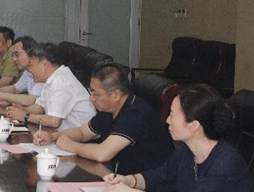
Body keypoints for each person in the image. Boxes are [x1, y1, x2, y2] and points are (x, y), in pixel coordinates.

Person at [103, 84, 254, 192]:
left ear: (194, 125)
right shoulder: (186, 151)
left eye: (173, 115)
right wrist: (130, 180)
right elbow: (161, 177)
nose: (167, 120)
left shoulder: (225, 163)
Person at [33, 63, 173, 175]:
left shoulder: (136, 114)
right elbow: (83, 132)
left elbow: (102, 154)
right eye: (91, 92)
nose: (91, 99)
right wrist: (53, 137)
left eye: (96, 94)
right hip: (123, 179)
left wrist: (70, 145)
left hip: (150, 187)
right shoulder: (109, 109)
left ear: (115, 94)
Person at [6, 42, 96, 130]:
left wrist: (25, 116)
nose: (29, 70)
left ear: (44, 64)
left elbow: (54, 121)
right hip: (64, 133)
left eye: (31, 65)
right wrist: (22, 109)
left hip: (81, 136)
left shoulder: (60, 81)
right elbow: (40, 107)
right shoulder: (51, 78)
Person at [0, 35, 44, 106]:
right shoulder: (27, 71)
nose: (14, 59)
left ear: (30, 53)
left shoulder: (42, 72)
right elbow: (15, 88)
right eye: (12, 55)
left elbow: (29, 100)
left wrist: (1, 95)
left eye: (17, 54)